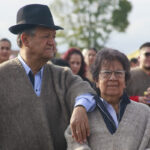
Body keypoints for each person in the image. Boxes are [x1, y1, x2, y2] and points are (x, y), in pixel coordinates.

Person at [0, 4, 96, 150]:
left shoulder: (62, 75)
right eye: (46, 36)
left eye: (53, 36)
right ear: (25, 40)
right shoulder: (3, 76)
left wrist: (80, 107)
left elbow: (84, 90)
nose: (52, 42)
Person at [65, 48, 150, 150]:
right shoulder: (84, 114)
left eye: (118, 73)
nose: (113, 78)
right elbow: (75, 143)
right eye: (106, 73)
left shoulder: (144, 113)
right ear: (96, 80)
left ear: (125, 80)